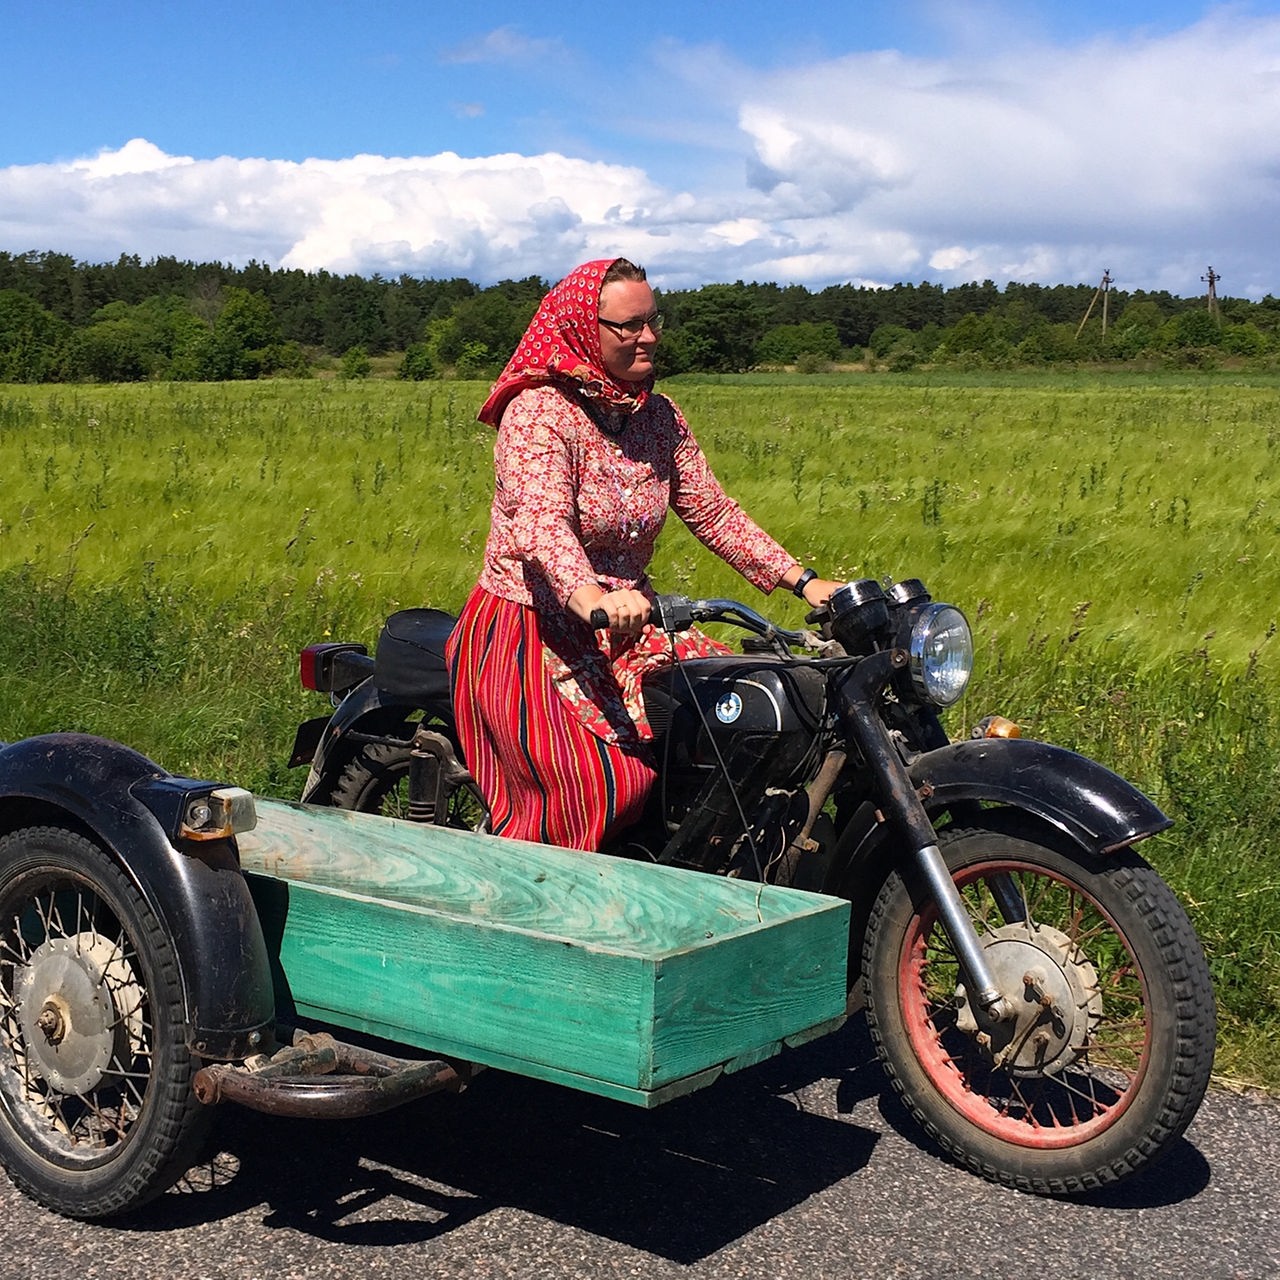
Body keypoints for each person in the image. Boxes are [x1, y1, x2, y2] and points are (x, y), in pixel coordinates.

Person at [445, 257, 842, 852]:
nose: (649, 336)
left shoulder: (656, 415)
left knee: (747, 716)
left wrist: (805, 582)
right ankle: (549, 918)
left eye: (652, 320)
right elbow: (542, 523)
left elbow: (712, 510)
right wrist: (592, 597)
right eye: (628, 326)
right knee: (607, 786)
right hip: (534, 626)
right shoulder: (539, 412)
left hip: (630, 623)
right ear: (583, 327)